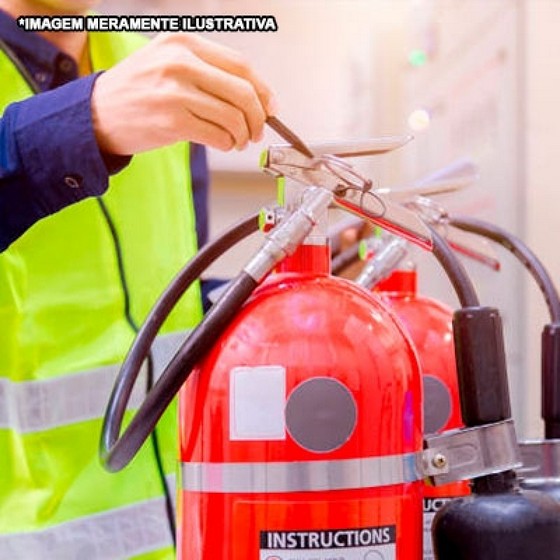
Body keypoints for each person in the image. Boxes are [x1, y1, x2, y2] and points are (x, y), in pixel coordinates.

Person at [0, 0, 275, 558]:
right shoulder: (142, 84)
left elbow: (171, 302)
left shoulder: (158, 73)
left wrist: (275, 296)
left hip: (183, 534)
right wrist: (78, 124)